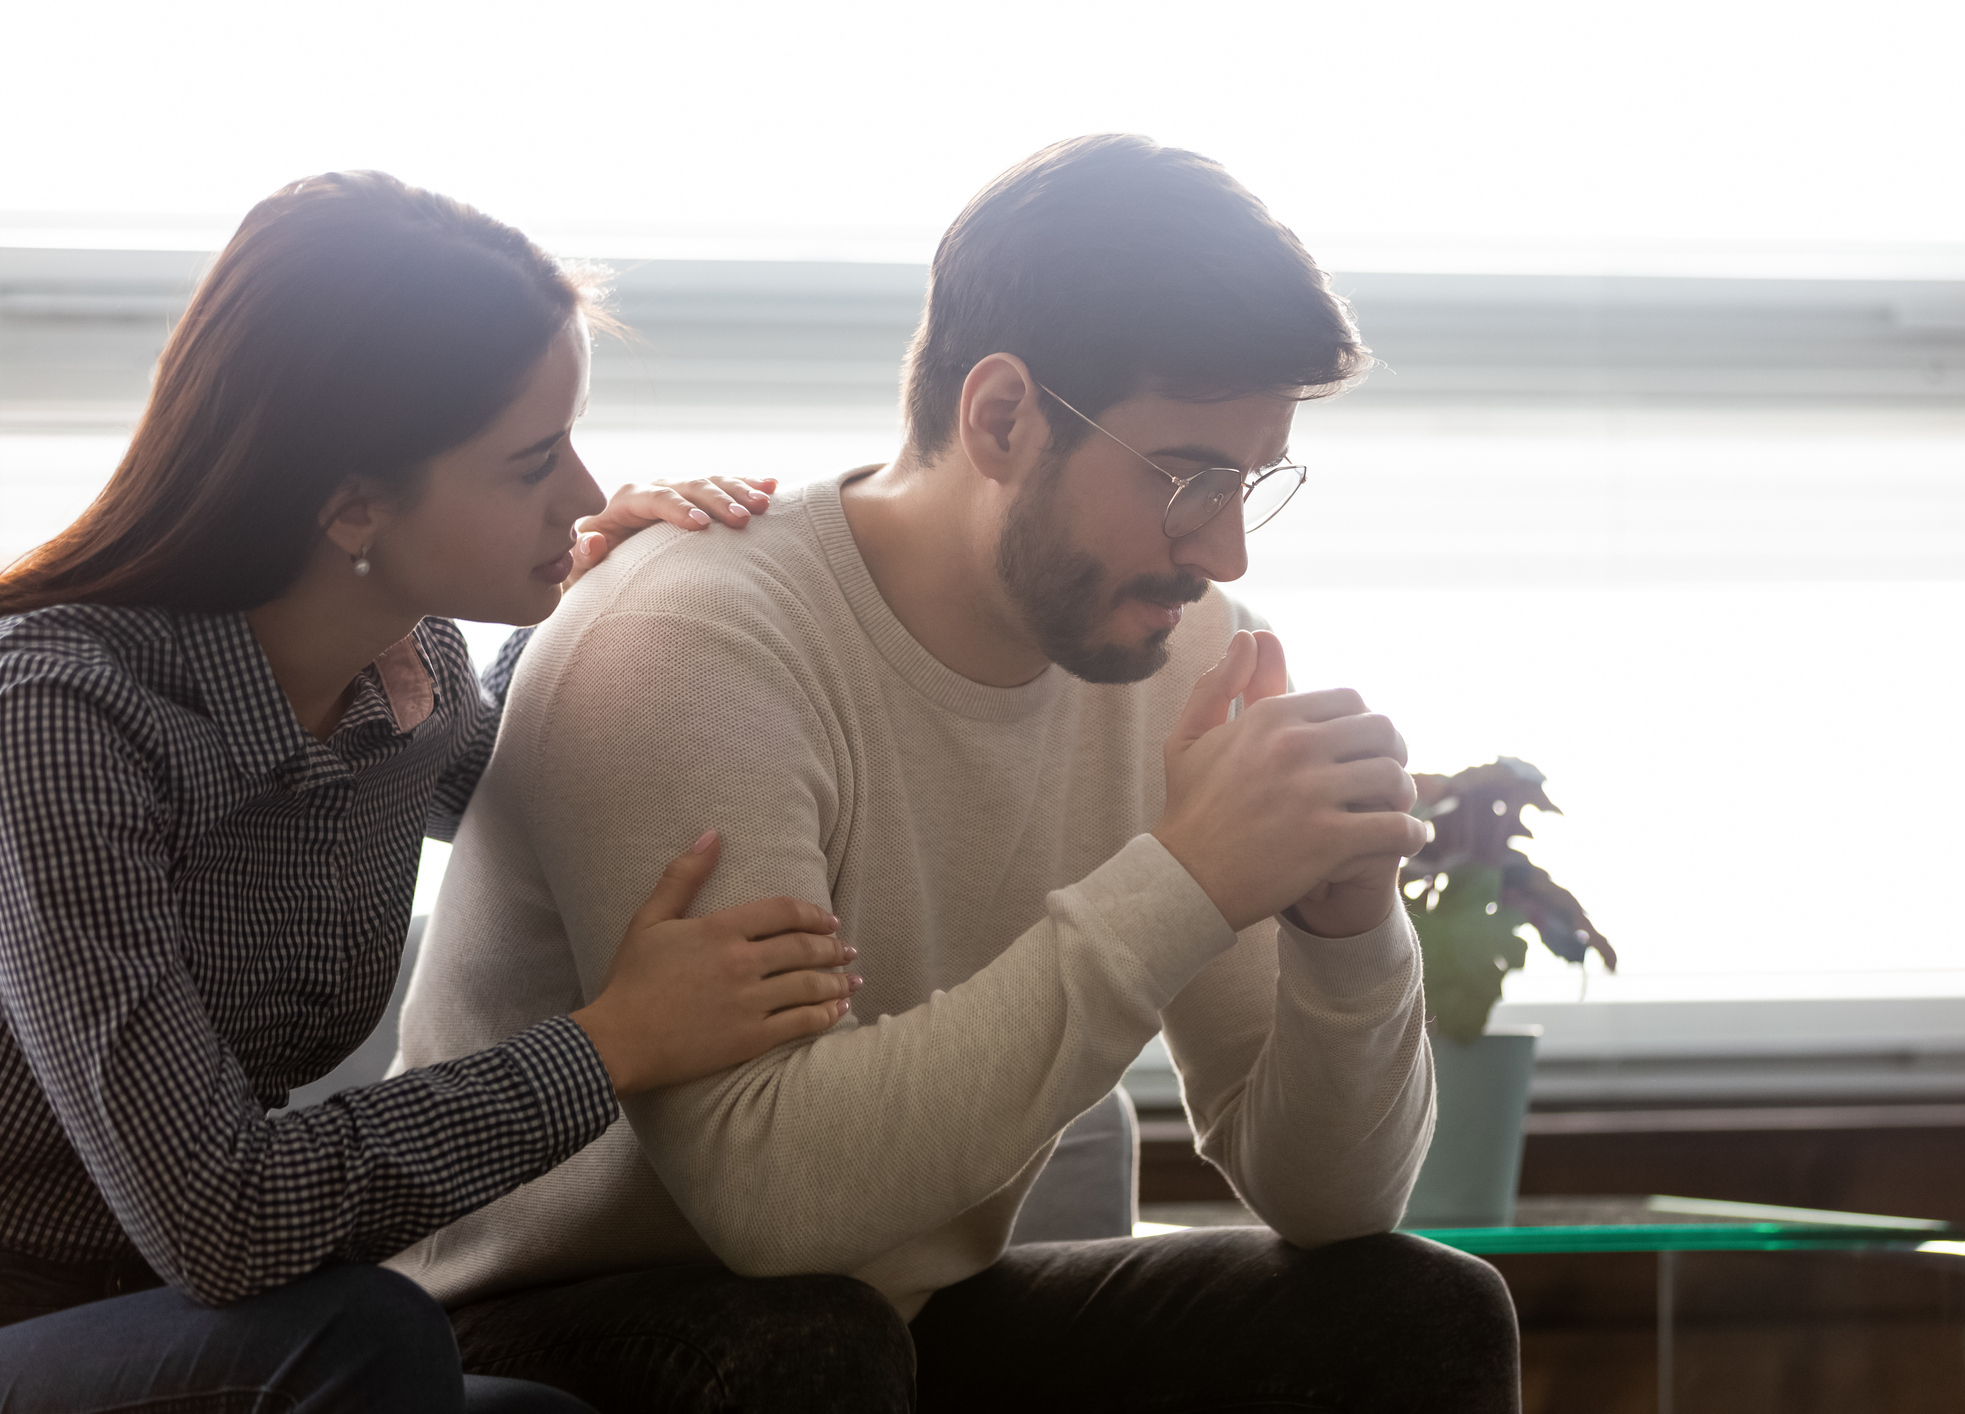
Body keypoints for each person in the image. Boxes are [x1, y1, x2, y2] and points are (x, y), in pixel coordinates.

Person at [398, 135, 1522, 1412]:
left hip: (892, 1308)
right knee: (807, 1342)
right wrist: (1193, 876)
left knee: (1412, 1310)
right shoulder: (691, 643)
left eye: (1251, 481)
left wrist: (1346, 927)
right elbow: (770, 1202)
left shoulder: (1187, 647)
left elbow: (1336, 1200)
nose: (1225, 552)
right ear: (1000, 417)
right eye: (1189, 477)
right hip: (535, 1320)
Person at [0, 172, 907, 1411]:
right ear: (353, 503)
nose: (587, 491)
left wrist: (609, 601)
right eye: (533, 461)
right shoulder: (60, 719)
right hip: (60, 1312)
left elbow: (531, 786)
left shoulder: (409, 665)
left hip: (208, 1326)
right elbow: (225, 1220)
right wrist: (615, 1041)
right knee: (368, 1336)